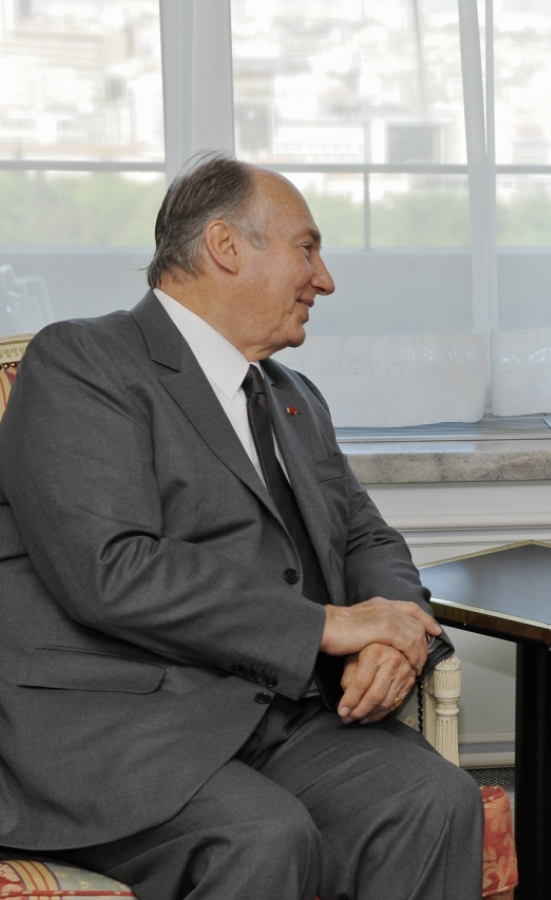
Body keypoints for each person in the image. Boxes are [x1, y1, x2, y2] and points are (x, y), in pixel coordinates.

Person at [0, 154, 483, 900]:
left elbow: (365, 536)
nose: (324, 280)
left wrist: (400, 629)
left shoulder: (293, 397)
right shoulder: (83, 361)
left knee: (432, 800)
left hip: (281, 717)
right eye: (308, 248)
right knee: (263, 839)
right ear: (226, 247)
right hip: (126, 725)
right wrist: (326, 626)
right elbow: (111, 568)